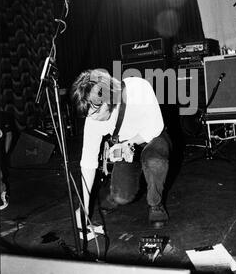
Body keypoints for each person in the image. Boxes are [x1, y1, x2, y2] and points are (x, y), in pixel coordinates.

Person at [71, 69, 172, 229]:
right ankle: (115, 194)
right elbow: (88, 163)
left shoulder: (137, 88)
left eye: (95, 112)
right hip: (127, 147)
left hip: (154, 138)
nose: (93, 118)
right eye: (88, 115)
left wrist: (129, 142)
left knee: (154, 161)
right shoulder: (93, 119)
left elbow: (156, 125)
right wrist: (83, 206)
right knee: (121, 197)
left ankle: (156, 203)